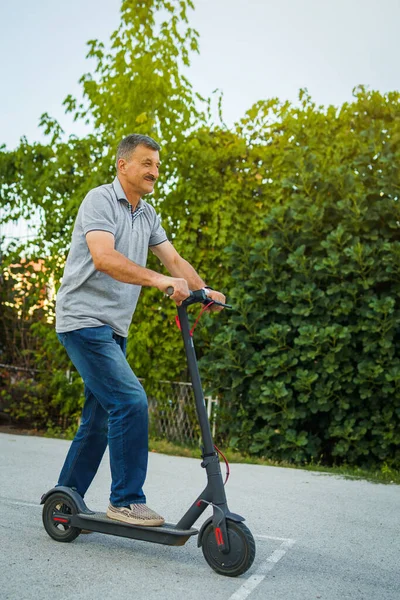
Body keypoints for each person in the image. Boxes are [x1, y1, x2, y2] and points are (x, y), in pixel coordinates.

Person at [55, 133, 225, 527]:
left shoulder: (147, 214)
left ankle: (65, 501)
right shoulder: (99, 200)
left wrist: (202, 291)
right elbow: (104, 257)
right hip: (83, 320)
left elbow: (174, 258)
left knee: (99, 419)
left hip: (113, 329)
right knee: (130, 402)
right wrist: (159, 281)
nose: (155, 171)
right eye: (147, 163)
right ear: (123, 165)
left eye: (158, 165)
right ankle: (126, 500)